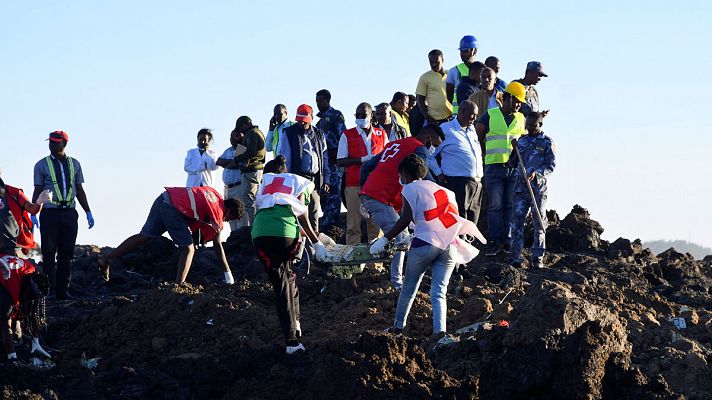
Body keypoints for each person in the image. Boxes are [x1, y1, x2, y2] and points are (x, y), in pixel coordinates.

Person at [370, 155, 484, 335]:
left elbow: (405, 219)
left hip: (425, 245)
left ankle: (397, 329)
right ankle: (440, 334)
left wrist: (385, 239)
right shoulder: (445, 191)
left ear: (405, 174)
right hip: (449, 245)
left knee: (409, 288)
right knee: (439, 292)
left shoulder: (410, 188)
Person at [251, 156, 331, 355]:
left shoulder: (264, 182)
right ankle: (294, 332)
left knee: (282, 285)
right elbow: (302, 214)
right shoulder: (297, 181)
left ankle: (292, 338)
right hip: (287, 235)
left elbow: (267, 214)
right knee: (289, 277)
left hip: (262, 234)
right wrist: (316, 241)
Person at [97, 186, 241, 284]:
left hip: (164, 199)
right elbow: (217, 245)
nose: (225, 221)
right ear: (229, 212)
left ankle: (107, 259)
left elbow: (197, 210)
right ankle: (179, 285)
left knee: (144, 236)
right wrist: (228, 274)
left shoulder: (213, 194)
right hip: (173, 208)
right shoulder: (219, 212)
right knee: (188, 249)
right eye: (229, 219)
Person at [360, 124, 444, 290]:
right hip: (381, 197)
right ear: (427, 139)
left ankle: (394, 275)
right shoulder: (420, 149)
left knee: (400, 235)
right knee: (401, 238)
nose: (433, 149)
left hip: (373, 194)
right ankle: (398, 284)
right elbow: (423, 174)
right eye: (434, 144)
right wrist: (441, 192)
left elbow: (366, 167)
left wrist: (363, 192)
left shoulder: (394, 144)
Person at [32, 131, 93, 300]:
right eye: (50, 142)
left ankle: (63, 291)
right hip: (50, 213)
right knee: (49, 253)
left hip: (69, 213)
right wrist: (33, 211)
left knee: (67, 253)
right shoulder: (41, 165)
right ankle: (49, 291)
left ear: (64, 144)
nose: (51, 145)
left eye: (55, 142)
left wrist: (88, 211)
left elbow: (79, 190)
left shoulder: (75, 164)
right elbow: (37, 189)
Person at [475, 82, 527, 256]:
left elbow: (524, 142)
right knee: (496, 206)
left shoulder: (521, 119)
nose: (518, 105)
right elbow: (478, 137)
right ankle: (495, 242)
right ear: (507, 98)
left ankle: (508, 242)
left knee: (510, 206)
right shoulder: (489, 116)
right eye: (516, 101)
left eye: (520, 102)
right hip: (494, 166)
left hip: (513, 169)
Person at [510, 111, 556, 269]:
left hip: (538, 189)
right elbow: (512, 162)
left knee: (539, 221)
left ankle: (538, 257)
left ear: (540, 125)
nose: (529, 128)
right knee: (516, 221)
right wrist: (513, 149)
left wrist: (537, 174)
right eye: (527, 125)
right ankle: (516, 257)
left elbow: (551, 166)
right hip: (520, 189)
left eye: (533, 126)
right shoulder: (521, 141)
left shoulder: (547, 142)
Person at [337, 103, 388, 245]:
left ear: (371, 116)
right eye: (357, 115)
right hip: (354, 184)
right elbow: (340, 161)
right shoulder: (347, 135)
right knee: (353, 226)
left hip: (376, 186)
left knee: (376, 226)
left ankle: (375, 265)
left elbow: (387, 157)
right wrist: (361, 160)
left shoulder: (381, 134)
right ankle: (353, 264)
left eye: (363, 115)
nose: (360, 118)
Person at [428, 100, 483, 225]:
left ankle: (469, 242)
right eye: (472, 114)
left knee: (472, 220)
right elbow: (430, 154)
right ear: (462, 112)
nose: (475, 118)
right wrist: (439, 173)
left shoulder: (472, 130)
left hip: (476, 182)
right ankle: (457, 243)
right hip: (457, 181)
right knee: (458, 219)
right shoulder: (445, 129)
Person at [278, 104, 330, 231]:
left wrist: (326, 180)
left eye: (304, 121)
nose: (302, 123)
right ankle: (301, 249)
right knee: (300, 217)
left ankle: (315, 248)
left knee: (314, 216)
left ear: (311, 118)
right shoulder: (289, 133)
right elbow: (286, 160)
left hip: (315, 182)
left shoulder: (319, 133)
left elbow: (324, 158)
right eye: (299, 120)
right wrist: (289, 183)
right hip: (298, 181)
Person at [0, 255, 51, 361]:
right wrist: (12, 358)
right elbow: (6, 325)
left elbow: (34, 312)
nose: (31, 301)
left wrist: (36, 341)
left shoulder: (33, 274)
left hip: (13, 277)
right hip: (3, 283)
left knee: (17, 327)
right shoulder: (9, 288)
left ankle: (17, 345)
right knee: (5, 319)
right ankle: (10, 354)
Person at [314, 89, 346, 231]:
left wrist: (338, 155)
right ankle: (327, 220)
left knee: (334, 192)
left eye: (321, 101)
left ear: (327, 100)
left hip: (334, 160)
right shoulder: (319, 122)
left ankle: (332, 223)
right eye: (317, 101)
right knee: (324, 193)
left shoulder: (335, 115)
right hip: (323, 162)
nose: (318, 104)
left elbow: (343, 137)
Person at [233, 116, 266, 227]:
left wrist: (238, 158)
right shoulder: (252, 133)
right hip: (252, 170)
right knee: (250, 200)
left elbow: (251, 151)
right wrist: (240, 141)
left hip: (251, 170)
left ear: (244, 124)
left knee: (249, 201)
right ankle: (255, 227)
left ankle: (255, 228)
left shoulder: (253, 134)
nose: (240, 131)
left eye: (240, 128)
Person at [216, 129, 244, 231]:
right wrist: (230, 163)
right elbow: (218, 161)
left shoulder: (242, 149)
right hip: (228, 188)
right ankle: (233, 236)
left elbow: (236, 164)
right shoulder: (228, 150)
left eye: (236, 136)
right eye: (231, 137)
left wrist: (227, 164)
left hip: (238, 186)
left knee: (239, 214)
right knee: (229, 213)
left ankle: (241, 236)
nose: (232, 139)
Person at [416, 49, 452, 126]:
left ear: (442, 60)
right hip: (433, 120)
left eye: (437, 62)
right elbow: (419, 99)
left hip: (451, 119)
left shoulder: (451, 75)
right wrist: (427, 117)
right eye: (431, 62)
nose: (434, 64)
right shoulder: (425, 77)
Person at [446, 35, 479, 115]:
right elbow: (449, 96)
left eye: (465, 51)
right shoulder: (453, 71)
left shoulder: (482, 70)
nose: (462, 54)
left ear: (474, 51)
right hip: (458, 115)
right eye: (461, 51)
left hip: (478, 115)